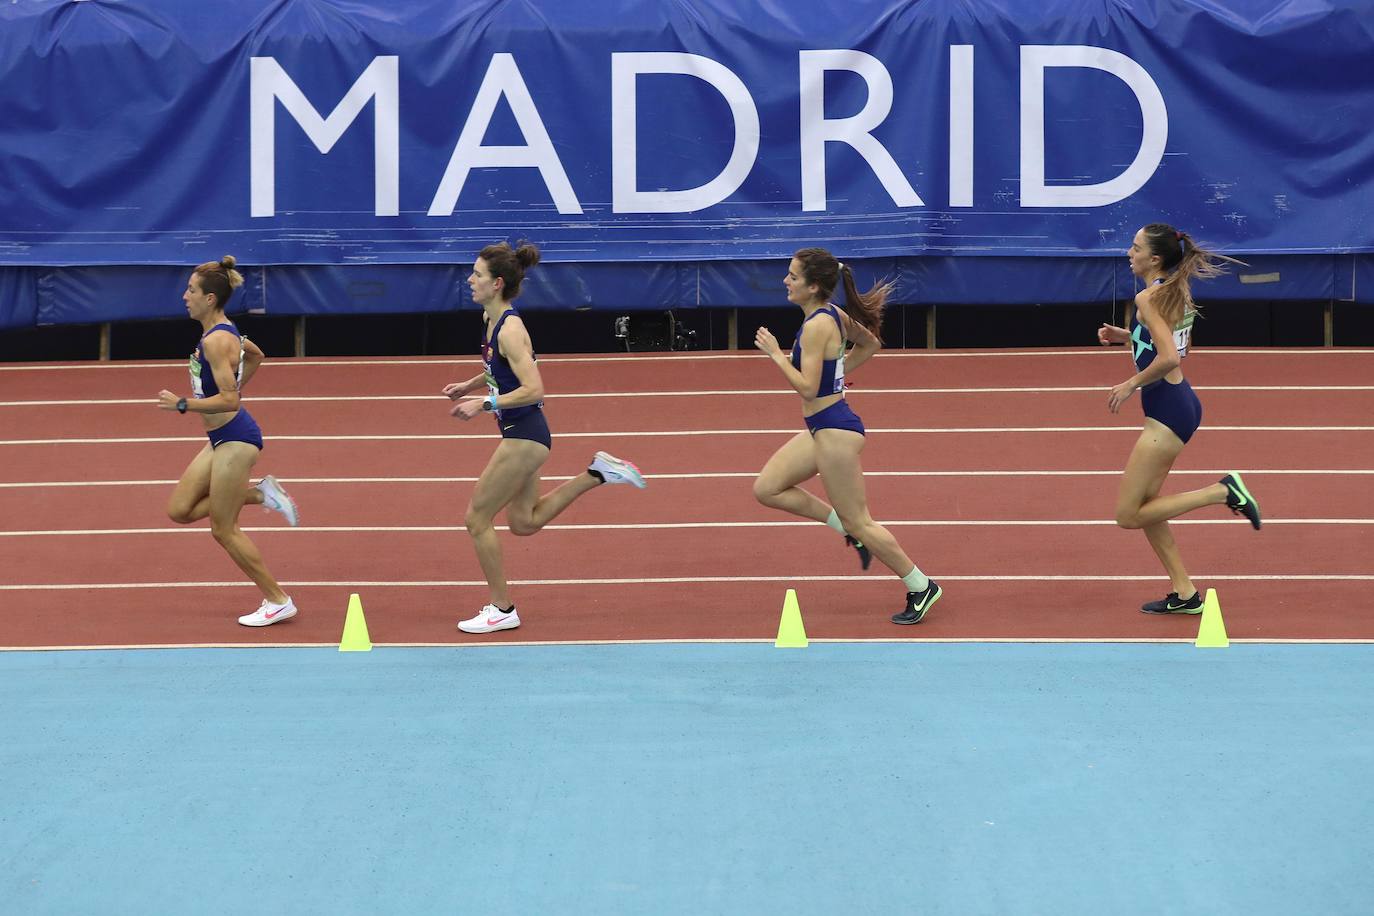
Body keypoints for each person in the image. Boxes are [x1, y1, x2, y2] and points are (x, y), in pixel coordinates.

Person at [444, 241, 646, 634]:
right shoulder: (493, 320)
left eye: (478, 274)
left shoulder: (511, 328)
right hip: (525, 434)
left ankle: (502, 608)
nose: (470, 279)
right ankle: (598, 473)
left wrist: (483, 404)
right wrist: (469, 385)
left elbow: (534, 389)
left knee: (476, 519)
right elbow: (499, 367)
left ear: (497, 283)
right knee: (523, 522)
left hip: (524, 436)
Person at [753, 248, 941, 625]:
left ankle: (921, 585)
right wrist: (835, 377)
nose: (785, 281)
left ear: (814, 285)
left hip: (834, 430)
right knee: (768, 488)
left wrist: (775, 354)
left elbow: (807, 389)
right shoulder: (832, 315)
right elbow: (870, 344)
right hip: (824, 425)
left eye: (793, 276)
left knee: (862, 522)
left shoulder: (817, 326)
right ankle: (845, 528)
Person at [1098, 223, 1260, 615]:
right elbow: (1173, 343)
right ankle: (1185, 593)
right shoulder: (1174, 288)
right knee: (1148, 504)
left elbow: (1169, 357)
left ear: (1154, 258)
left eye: (1135, 248)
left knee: (1128, 515)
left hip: (1167, 410)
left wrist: (1130, 383)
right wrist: (1127, 336)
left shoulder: (1149, 297)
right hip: (1177, 402)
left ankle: (1223, 492)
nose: (1128, 253)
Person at [157, 256, 300, 627]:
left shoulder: (218, 340)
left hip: (236, 438)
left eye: (191, 290)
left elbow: (230, 399)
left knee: (223, 528)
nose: (184, 295)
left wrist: (184, 404)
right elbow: (256, 355)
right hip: (220, 437)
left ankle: (278, 599)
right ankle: (260, 494)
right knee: (180, 509)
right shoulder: (221, 332)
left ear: (209, 299)